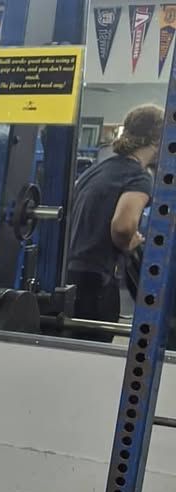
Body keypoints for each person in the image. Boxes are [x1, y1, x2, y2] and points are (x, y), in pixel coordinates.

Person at [65, 104, 163, 342]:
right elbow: (122, 226)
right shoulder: (138, 177)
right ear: (157, 139)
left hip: (69, 277)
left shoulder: (97, 170)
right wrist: (129, 243)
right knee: (93, 360)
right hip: (97, 284)